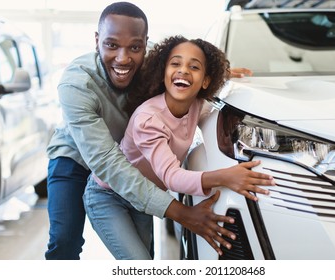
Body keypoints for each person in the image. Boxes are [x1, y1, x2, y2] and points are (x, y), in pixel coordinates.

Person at [45, 1, 273, 260]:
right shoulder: (77, 84)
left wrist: (217, 73)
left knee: (145, 257)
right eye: (111, 45)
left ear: (145, 44)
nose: (123, 57)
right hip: (78, 156)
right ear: (96, 40)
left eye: (134, 47)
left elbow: (183, 66)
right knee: (65, 240)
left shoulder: (154, 61)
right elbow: (107, 162)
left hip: (129, 155)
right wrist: (181, 212)